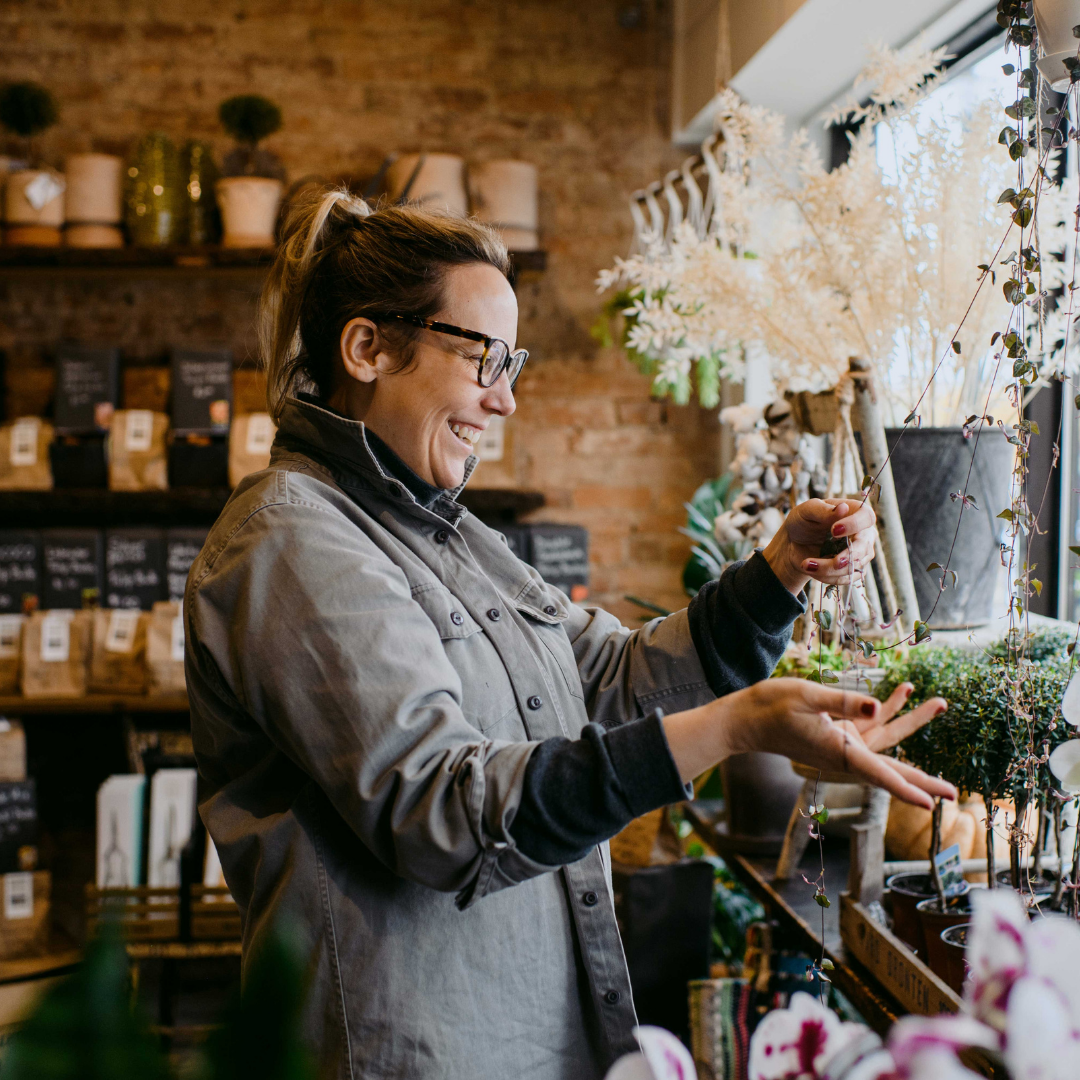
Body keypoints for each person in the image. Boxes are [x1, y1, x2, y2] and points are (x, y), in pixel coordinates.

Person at [184, 188, 953, 1080]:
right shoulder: (291, 537)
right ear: (367, 348)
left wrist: (777, 570)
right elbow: (442, 809)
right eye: (483, 359)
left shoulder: (448, 533)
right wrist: (738, 726)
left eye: (513, 364)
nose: (505, 401)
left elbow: (616, 677)